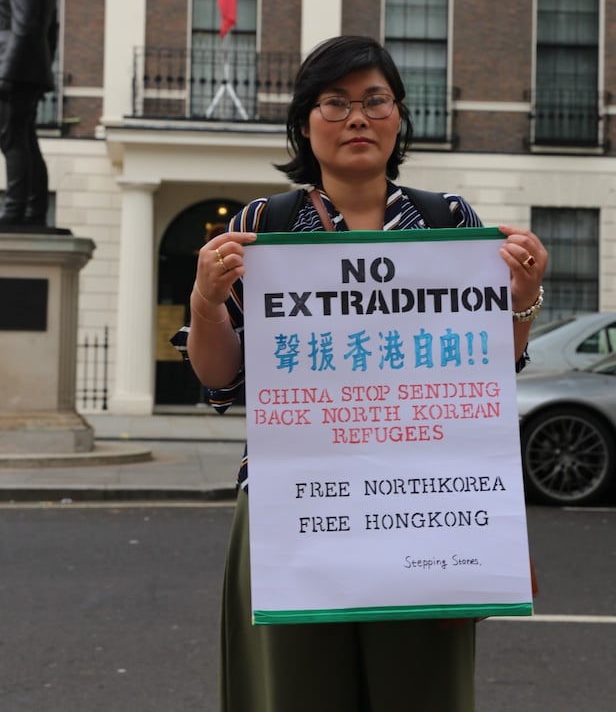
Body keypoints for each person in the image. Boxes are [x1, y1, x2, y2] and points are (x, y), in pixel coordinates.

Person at [178, 35, 548, 712]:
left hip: (426, 505)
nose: (357, 118)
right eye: (335, 102)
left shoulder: (448, 222)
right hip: (294, 506)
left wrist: (521, 301)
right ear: (304, 123)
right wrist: (206, 303)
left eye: (375, 101)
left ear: (399, 117)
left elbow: (491, 368)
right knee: (294, 692)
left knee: (421, 691)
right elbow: (222, 381)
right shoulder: (262, 227)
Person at [0, 0, 57, 226]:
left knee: (12, 138)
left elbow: (23, 26)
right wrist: (43, 68)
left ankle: (14, 211)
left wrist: (7, 72)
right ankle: (34, 211)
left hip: (17, 69)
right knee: (26, 139)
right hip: (30, 69)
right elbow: (52, 33)